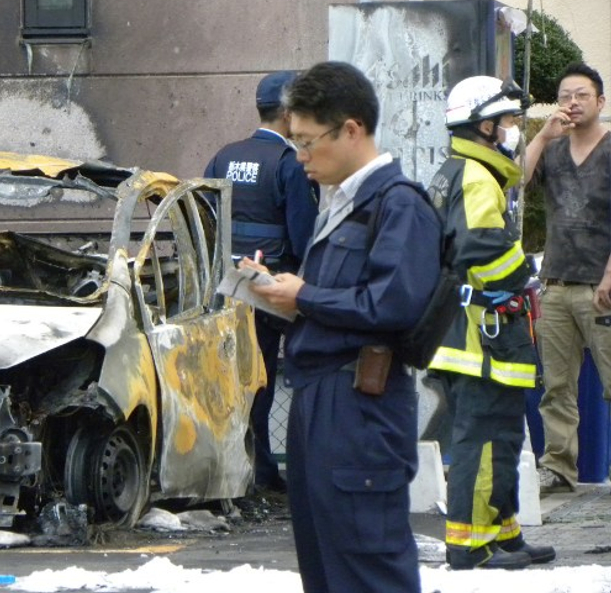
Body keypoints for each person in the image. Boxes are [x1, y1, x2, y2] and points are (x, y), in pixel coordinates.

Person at [247, 61, 439, 593]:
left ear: (351, 129)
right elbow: (340, 302)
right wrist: (279, 294)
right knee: (325, 565)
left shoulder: (398, 205)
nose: (301, 157)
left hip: (360, 403)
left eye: (308, 142)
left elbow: (392, 304)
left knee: (367, 565)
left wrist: (304, 294)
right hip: (320, 397)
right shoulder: (339, 205)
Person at [426, 74, 555, 570]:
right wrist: (524, 273)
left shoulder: (458, 170)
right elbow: (481, 246)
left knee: (501, 436)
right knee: (482, 440)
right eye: (507, 121)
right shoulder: (476, 177)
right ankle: (469, 546)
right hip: (481, 334)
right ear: (484, 127)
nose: (514, 131)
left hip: (469, 331)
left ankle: (502, 534)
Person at [204, 70, 318, 493]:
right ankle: (262, 470)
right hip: (269, 292)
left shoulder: (225, 155)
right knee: (262, 379)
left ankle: (235, 466)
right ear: (288, 114)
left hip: (223, 288)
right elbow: (305, 235)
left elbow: (205, 217)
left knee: (228, 381)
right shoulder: (288, 164)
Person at [521, 62, 611, 494]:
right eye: (564, 97)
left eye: (581, 95)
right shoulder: (553, 150)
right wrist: (542, 135)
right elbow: (515, 180)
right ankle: (558, 466)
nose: (572, 103)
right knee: (556, 386)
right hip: (555, 283)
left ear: (600, 101)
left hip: (601, 285)